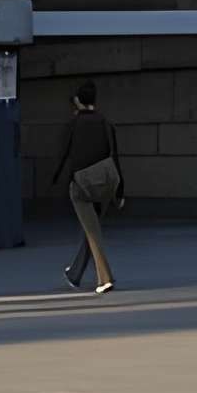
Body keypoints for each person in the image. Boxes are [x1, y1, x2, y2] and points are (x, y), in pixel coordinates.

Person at [52, 82, 123, 293]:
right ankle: (75, 273)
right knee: (92, 228)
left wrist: (58, 179)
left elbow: (66, 155)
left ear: (78, 101)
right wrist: (120, 191)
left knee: (92, 231)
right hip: (108, 181)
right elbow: (115, 156)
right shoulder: (105, 122)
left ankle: (105, 279)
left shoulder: (74, 124)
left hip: (83, 184)